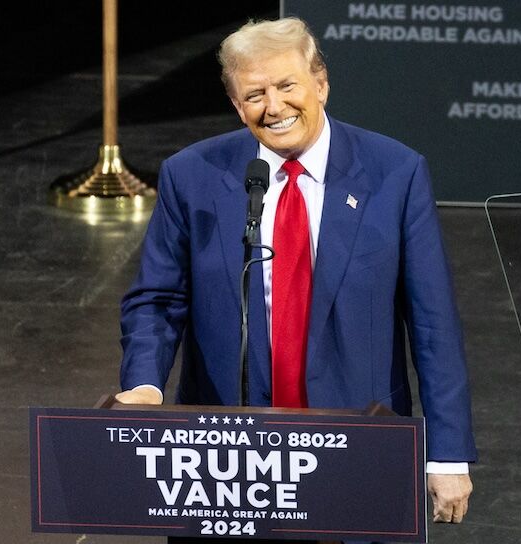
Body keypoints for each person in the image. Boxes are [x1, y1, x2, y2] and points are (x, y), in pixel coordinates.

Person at [116, 17, 477, 524]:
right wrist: (145, 383)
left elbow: (433, 324)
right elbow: (157, 298)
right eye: (255, 94)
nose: (275, 106)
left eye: (287, 86)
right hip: (226, 455)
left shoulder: (394, 172)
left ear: (321, 84)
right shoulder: (192, 174)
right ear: (237, 106)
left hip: (358, 440)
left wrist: (446, 453)